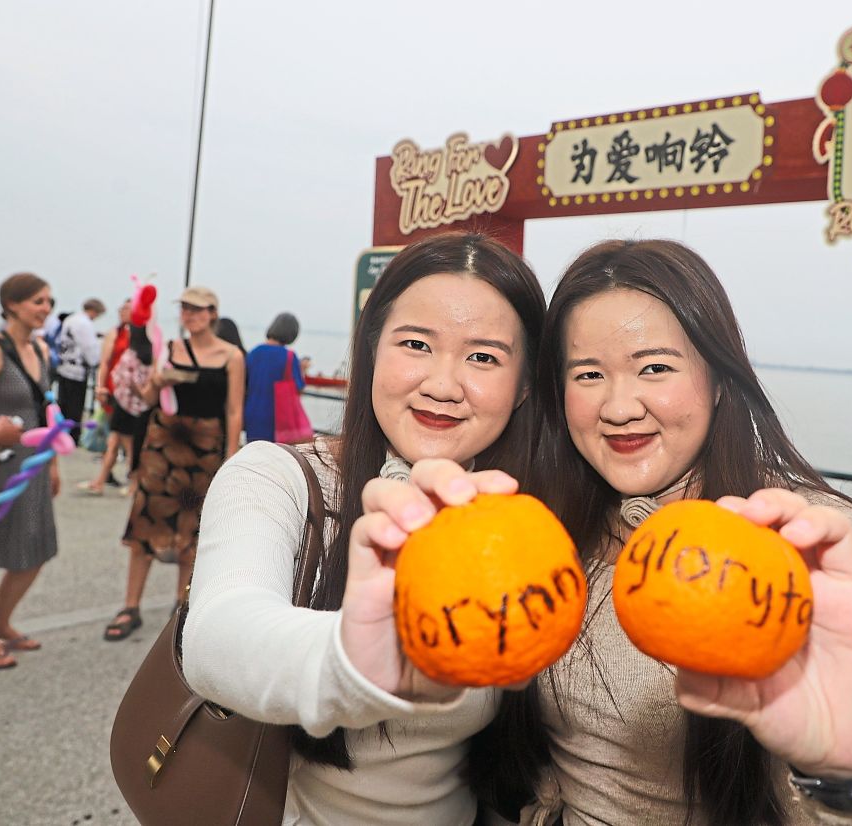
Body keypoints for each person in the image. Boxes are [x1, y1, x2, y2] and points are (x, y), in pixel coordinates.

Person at [406, 239, 852, 824]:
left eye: (654, 368)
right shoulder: (548, 526)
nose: (618, 406)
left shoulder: (798, 539)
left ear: (717, 379)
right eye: (588, 374)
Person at [180, 232, 545, 824]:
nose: (443, 384)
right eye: (416, 344)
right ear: (371, 349)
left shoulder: (526, 521)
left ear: (525, 384)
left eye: (484, 357)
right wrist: (355, 658)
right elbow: (219, 635)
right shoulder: (281, 477)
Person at [103, 286, 243, 641]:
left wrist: (228, 461)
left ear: (213, 313)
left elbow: (233, 411)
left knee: (192, 533)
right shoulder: (170, 349)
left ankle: (180, 608)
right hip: (164, 444)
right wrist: (157, 381)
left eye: (197, 309)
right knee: (145, 525)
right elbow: (148, 397)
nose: (190, 315)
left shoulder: (231, 356)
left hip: (204, 448)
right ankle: (130, 605)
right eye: (185, 309)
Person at [0, 273, 60, 670]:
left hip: (32, 464)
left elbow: (47, 411)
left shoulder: (41, 350)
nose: (45, 308)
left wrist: (55, 462)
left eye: (48, 301)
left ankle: (0, 621)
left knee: (35, 548)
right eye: (37, 301)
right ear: (12, 304)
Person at [81, 298, 132, 493]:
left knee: (120, 438)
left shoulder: (142, 334)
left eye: (127, 308)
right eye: (121, 307)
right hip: (114, 391)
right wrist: (101, 388)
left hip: (132, 395)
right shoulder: (116, 332)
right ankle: (107, 479)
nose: (122, 311)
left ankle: (106, 480)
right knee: (117, 436)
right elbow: (105, 362)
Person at [243, 312, 305, 443]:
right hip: (277, 418)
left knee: (253, 455)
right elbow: (298, 389)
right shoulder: (289, 356)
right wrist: (302, 369)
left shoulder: (253, 353)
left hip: (252, 413)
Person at [55, 297, 106, 442]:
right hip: (77, 370)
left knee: (63, 403)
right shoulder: (85, 324)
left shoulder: (71, 320)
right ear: (95, 311)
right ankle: (72, 436)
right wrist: (96, 361)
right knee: (75, 405)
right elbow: (89, 347)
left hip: (64, 364)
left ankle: (60, 432)